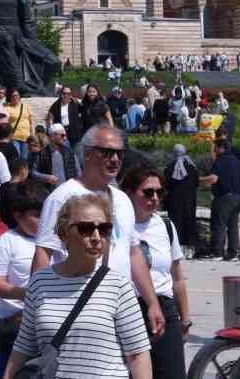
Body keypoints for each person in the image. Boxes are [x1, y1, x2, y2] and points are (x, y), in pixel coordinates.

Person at [31, 126, 166, 339]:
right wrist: (37, 310)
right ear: (87, 153)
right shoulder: (62, 197)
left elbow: (134, 253)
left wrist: (152, 303)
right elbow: (43, 254)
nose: (115, 159)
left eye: (120, 154)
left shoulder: (122, 200)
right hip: (76, 304)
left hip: (120, 305)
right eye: (107, 152)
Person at [5, 191, 153, 379]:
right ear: (65, 231)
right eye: (86, 228)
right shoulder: (40, 282)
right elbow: (24, 347)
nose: (96, 236)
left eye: (104, 229)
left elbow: (138, 354)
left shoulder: (118, 286)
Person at [122, 166, 188, 379]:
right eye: (148, 192)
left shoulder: (166, 226)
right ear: (130, 193)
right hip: (128, 309)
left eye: (159, 192)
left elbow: (177, 277)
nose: (155, 198)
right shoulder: (117, 227)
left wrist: (184, 319)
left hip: (164, 309)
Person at [0, 180, 47, 379]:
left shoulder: (54, 242)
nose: (44, 220)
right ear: (18, 216)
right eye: (37, 215)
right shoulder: (6, 243)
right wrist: (25, 293)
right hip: (13, 326)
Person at [200, 136, 240, 260]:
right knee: (233, 226)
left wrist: (197, 180)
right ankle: (233, 253)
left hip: (224, 198)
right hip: (238, 197)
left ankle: (217, 253)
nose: (214, 150)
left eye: (215, 147)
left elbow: (213, 178)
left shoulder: (221, 160)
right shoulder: (238, 161)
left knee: (219, 225)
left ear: (221, 148)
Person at [161, 145, 200, 258]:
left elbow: (166, 185)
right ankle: (190, 251)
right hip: (190, 201)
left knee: (176, 224)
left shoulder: (170, 167)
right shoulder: (192, 167)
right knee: (189, 223)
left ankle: (176, 250)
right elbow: (196, 183)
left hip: (174, 202)